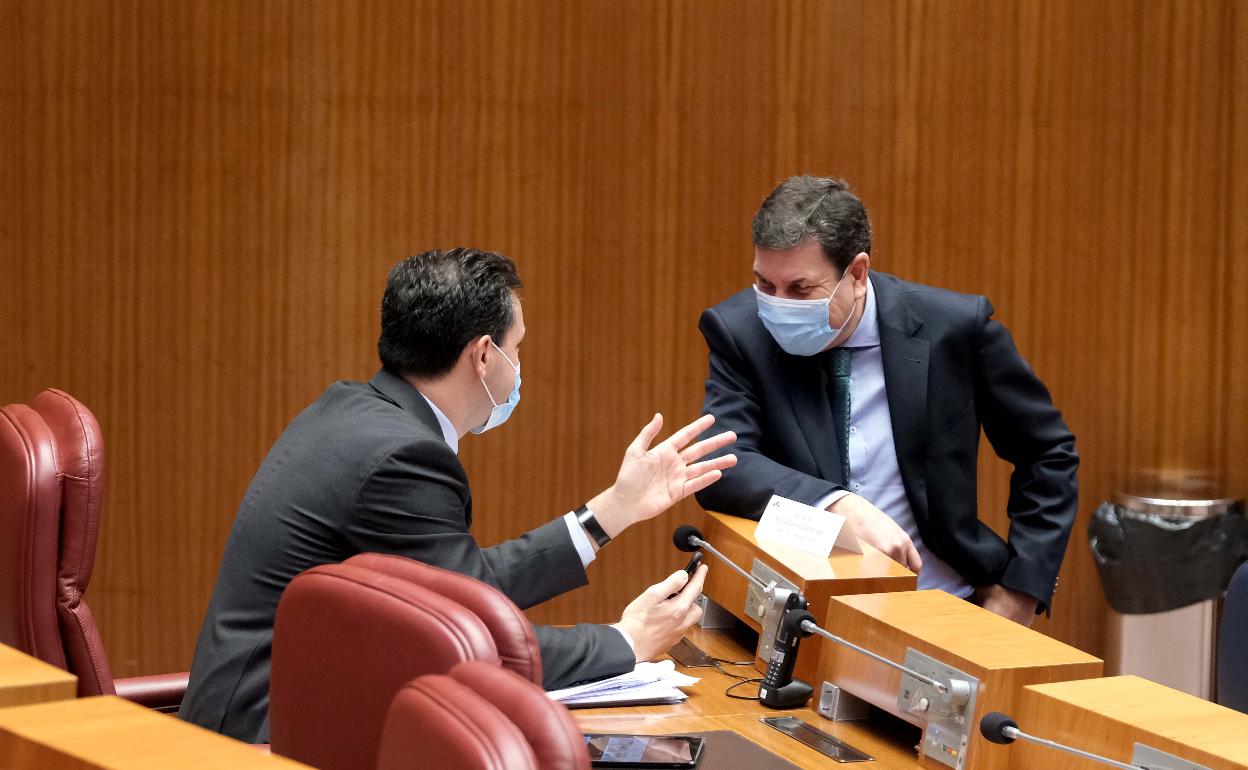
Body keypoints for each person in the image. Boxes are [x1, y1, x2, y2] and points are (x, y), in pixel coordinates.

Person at [180, 248, 737, 742]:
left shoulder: (354, 412)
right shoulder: (405, 458)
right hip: (268, 737)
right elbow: (472, 643)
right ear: (483, 356)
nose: (519, 368)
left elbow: (464, 589)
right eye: (517, 349)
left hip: (278, 708)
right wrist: (626, 641)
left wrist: (612, 509)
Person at [695, 176, 1078, 626]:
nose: (778, 305)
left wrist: (1021, 592)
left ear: (856, 274)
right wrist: (836, 505)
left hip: (945, 606)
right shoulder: (740, 331)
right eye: (765, 283)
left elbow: (1047, 453)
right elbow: (719, 463)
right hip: (806, 616)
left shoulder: (952, 328)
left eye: (800, 289)